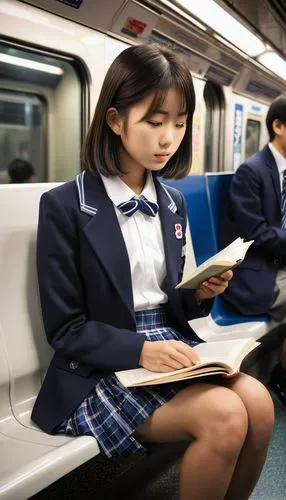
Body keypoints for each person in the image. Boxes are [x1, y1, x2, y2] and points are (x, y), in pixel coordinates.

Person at [32, 44, 274, 500]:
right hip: (101, 366)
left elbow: (172, 303)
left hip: (169, 350)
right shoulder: (65, 206)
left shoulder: (172, 202)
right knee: (224, 416)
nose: (169, 139)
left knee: (259, 405)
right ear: (115, 120)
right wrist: (140, 349)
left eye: (180, 124)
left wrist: (201, 292)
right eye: (154, 121)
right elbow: (66, 328)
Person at [220, 95, 286, 406]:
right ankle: (283, 375)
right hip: (256, 273)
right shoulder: (252, 172)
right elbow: (255, 234)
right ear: (278, 126)